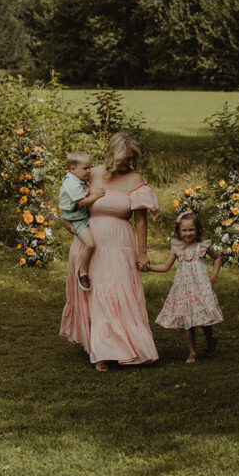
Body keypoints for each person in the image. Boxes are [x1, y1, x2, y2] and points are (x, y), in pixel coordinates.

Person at [59, 132, 159, 371]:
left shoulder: (135, 178)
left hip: (121, 244)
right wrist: (71, 227)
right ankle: (101, 351)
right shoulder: (90, 174)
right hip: (92, 244)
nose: (131, 163)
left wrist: (142, 253)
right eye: (128, 158)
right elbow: (68, 201)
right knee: (98, 294)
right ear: (116, 155)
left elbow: (141, 221)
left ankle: (128, 347)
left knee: (121, 291)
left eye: (134, 159)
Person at [149, 210, 223, 363]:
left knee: (204, 321)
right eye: (184, 230)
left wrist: (214, 276)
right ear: (178, 231)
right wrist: (149, 268)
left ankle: (210, 343)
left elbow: (217, 258)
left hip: (201, 288)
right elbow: (166, 266)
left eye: (191, 230)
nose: (188, 233)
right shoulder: (177, 247)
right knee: (188, 323)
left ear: (197, 230)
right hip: (184, 290)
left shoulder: (203, 246)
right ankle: (192, 352)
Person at [58, 151, 104, 291]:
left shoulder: (76, 178)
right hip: (76, 217)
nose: (89, 171)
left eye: (90, 167)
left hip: (77, 214)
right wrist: (96, 195)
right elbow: (82, 202)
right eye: (85, 168)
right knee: (90, 244)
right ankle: (82, 272)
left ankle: (64, 219)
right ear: (73, 169)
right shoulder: (71, 183)